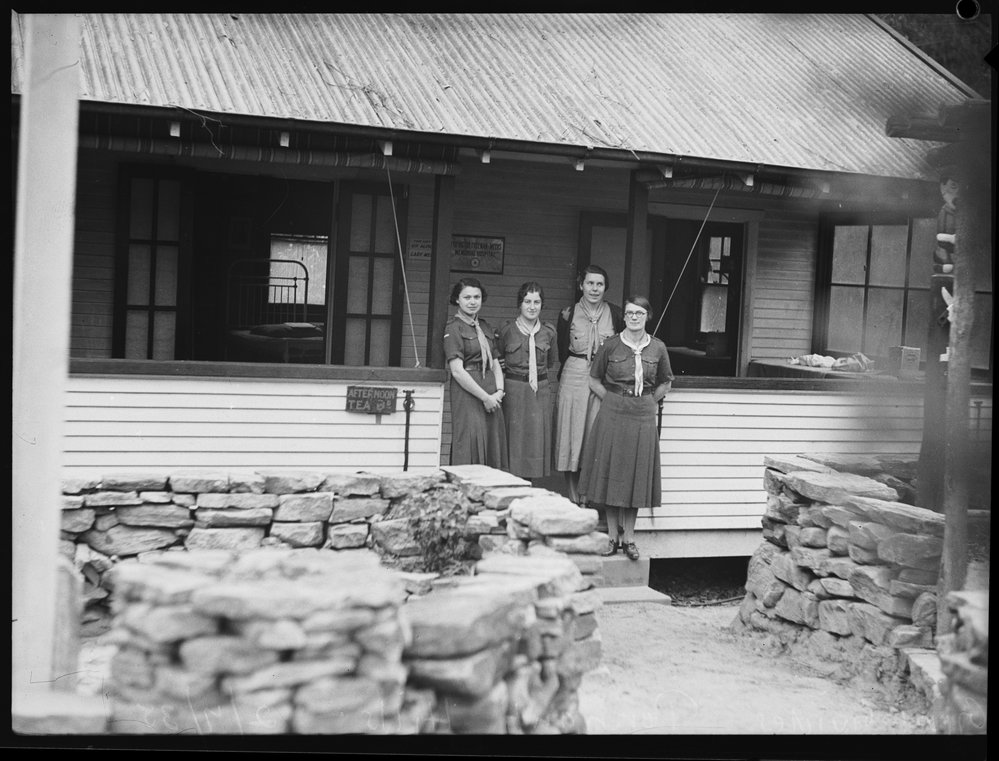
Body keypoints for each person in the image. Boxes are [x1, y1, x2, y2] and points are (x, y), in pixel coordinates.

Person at [577, 295, 673, 561]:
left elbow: (666, 382)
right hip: (613, 412)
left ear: (647, 316)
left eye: (639, 313)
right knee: (611, 472)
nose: (634, 317)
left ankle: (629, 538)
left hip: (642, 414)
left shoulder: (658, 347)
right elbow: (594, 380)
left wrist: (648, 402)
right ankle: (611, 537)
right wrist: (612, 400)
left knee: (636, 476)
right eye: (630, 313)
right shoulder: (610, 345)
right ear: (624, 316)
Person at [554, 264, 625, 502]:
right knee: (572, 435)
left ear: (605, 287)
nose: (595, 289)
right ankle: (575, 498)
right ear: (581, 285)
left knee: (595, 433)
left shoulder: (615, 313)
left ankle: (589, 497)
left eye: (599, 284)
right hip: (574, 375)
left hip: (604, 376)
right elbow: (562, 350)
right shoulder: (568, 313)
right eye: (590, 283)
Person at [443, 278, 508, 469]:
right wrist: (485, 398)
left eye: (477, 297)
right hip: (469, 392)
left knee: (492, 441)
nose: (472, 302)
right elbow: (457, 371)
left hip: (491, 391)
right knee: (470, 440)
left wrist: (499, 392)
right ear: (457, 299)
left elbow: (495, 363)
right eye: (467, 297)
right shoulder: (454, 328)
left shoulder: (485, 327)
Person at [497, 282, 558, 480]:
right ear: (519, 304)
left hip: (538, 391)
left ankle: (528, 486)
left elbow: (550, 362)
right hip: (514, 390)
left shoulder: (549, 332)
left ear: (542, 304)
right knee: (513, 440)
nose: (532, 307)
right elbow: (498, 360)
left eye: (536, 302)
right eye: (527, 302)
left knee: (534, 440)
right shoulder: (506, 330)